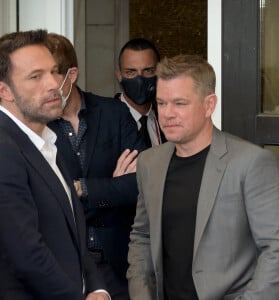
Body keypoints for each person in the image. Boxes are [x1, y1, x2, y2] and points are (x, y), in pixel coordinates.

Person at [127, 54, 279, 300]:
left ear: (209, 105)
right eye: (162, 103)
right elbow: (142, 236)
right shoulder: (149, 163)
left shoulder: (251, 163)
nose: (167, 113)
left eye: (180, 103)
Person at [0, 30, 109, 300]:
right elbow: (26, 253)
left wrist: (97, 288)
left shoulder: (46, 142)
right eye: (35, 76)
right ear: (4, 91)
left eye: (54, 72)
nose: (53, 84)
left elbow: (74, 236)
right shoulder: (4, 148)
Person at [46, 33, 146, 300]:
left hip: (119, 265)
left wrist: (81, 188)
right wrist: (111, 188)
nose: (45, 89)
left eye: (51, 78)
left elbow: (141, 184)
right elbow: (46, 199)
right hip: (64, 265)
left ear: (72, 74)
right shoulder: (38, 127)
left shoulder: (113, 113)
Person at [115, 38, 165, 147]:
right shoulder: (104, 120)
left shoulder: (169, 117)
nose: (140, 79)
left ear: (159, 72)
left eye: (148, 71)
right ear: (119, 75)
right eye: (131, 72)